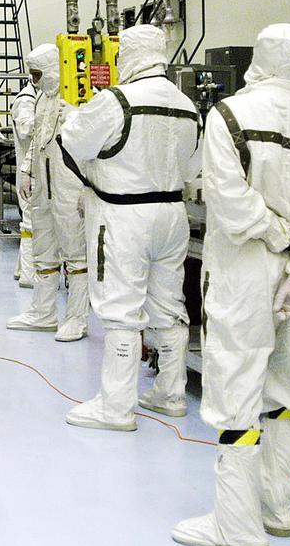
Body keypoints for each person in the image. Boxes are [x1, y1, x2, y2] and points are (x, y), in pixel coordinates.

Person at [172, 23, 290, 546]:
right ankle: (277, 508)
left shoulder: (229, 116)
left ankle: (236, 524)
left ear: (259, 58)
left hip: (245, 270)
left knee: (236, 388)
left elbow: (229, 203)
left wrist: (278, 237)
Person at [58, 25, 201, 431]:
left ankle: (116, 407)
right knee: (169, 305)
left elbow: (73, 142)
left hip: (124, 217)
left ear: (132, 55)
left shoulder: (117, 101)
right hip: (172, 214)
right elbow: (193, 167)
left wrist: (77, 118)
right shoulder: (188, 106)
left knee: (120, 309)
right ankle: (170, 394)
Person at [8, 43, 90, 341]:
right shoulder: (42, 99)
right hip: (43, 185)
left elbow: (93, 148)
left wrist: (88, 188)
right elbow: (37, 140)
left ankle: (77, 318)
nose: (34, 80)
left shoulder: (78, 99)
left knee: (75, 253)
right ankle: (43, 312)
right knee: (43, 248)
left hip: (69, 186)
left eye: (38, 74)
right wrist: (27, 172)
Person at [11, 74, 37, 288]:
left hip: (36, 170)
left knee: (32, 220)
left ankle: (21, 269)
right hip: (30, 172)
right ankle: (29, 276)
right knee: (31, 222)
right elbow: (26, 129)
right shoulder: (26, 99)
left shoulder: (39, 96)